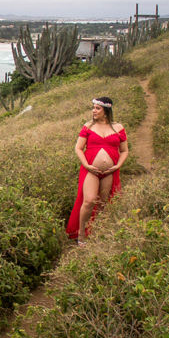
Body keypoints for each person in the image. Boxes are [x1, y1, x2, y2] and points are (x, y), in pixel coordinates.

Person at [67, 97, 128, 244]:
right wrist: (87, 165)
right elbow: (78, 148)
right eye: (93, 107)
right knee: (88, 201)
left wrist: (118, 165)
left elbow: (125, 150)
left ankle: (95, 233)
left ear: (106, 111)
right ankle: (81, 234)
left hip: (109, 172)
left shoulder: (118, 128)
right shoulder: (88, 126)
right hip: (90, 170)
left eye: (97, 108)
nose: (94, 111)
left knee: (102, 203)